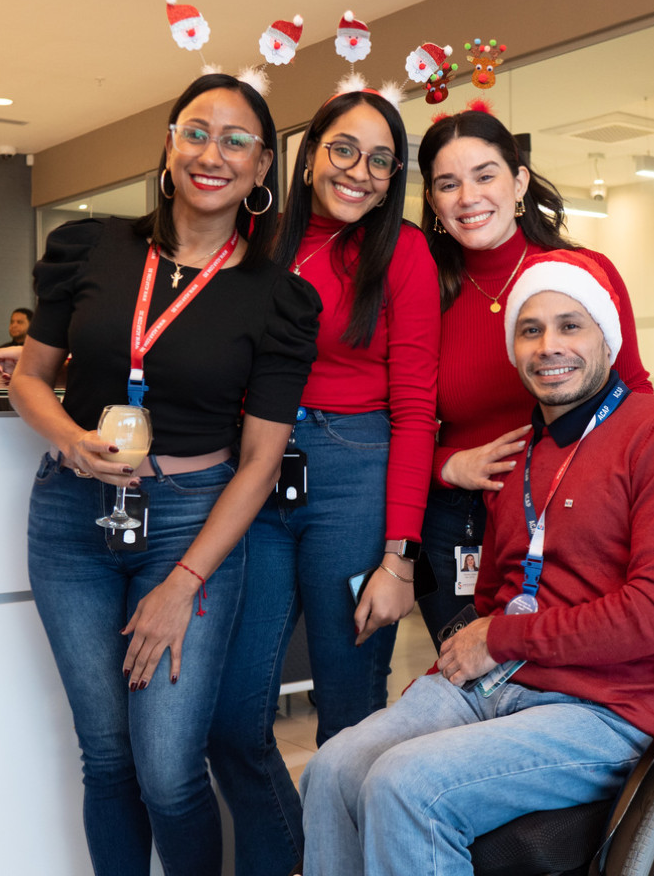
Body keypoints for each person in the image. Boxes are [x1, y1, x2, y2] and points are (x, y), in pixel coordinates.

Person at [299, 248, 654, 876]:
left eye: (570, 325)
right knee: (332, 769)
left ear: (605, 334)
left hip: (611, 708)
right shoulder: (524, 452)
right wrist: (451, 670)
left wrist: (497, 636)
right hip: (501, 684)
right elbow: (502, 590)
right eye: (531, 330)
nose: (549, 345)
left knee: (406, 785)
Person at [7, 72, 321, 876]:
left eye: (236, 141)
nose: (212, 153)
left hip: (190, 522)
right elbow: (30, 377)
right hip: (72, 518)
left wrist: (182, 581)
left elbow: (258, 464)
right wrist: (73, 440)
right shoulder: (92, 248)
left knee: (170, 771)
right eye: (196, 131)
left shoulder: (277, 298)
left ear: (260, 172)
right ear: (170, 144)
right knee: (105, 756)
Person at [208, 84, 441, 876]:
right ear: (310, 157)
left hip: (355, 476)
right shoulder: (256, 237)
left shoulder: (401, 252)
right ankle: (292, 855)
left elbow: (416, 410)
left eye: (382, 160)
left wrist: (399, 557)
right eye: (344, 149)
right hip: (255, 473)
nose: (360, 172)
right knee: (234, 717)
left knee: (347, 714)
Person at [416, 106, 653, 645]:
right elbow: (390, 419)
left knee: (561, 675)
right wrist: (446, 464)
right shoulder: (422, 290)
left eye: (485, 175)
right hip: (463, 523)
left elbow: (635, 391)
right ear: (432, 201)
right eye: (447, 184)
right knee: (467, 682)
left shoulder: (584, 273)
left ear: (519, 180)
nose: (468, 197)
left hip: (580, 509)